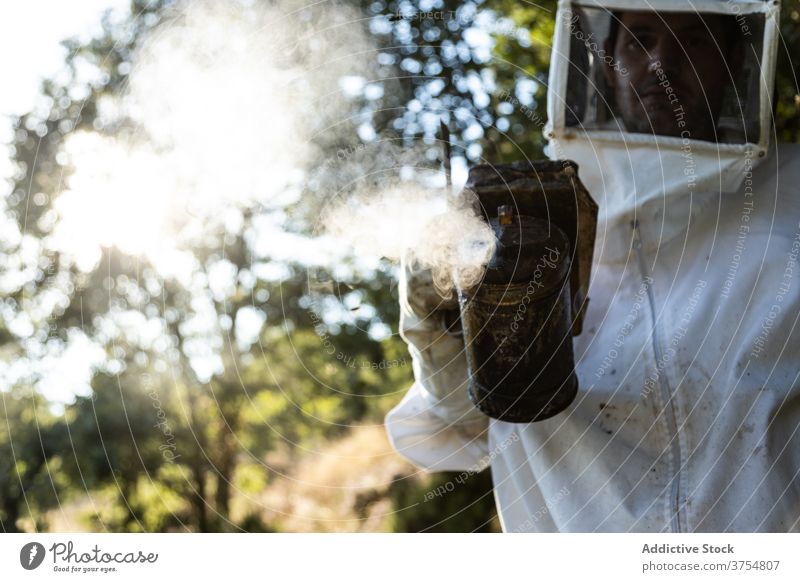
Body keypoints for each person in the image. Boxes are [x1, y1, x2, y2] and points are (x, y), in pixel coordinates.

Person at [385, 0, 800, 532]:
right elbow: (461, 429)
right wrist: (436, 329)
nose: (662, 64)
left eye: (695, 41)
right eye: (640, 39)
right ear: (608, 59)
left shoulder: (790, 200)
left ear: (735, 58)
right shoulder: (527, 213)